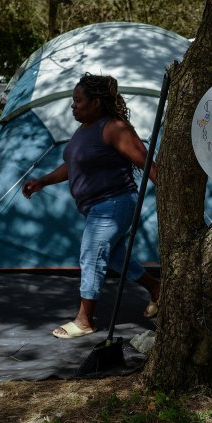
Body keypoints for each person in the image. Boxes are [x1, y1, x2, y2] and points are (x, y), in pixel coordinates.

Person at [22, 73, 160, 338]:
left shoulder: (114, 128)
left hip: (115, 203)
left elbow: (147, 163)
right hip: (96, 206)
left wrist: (169, 198)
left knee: (91, 254)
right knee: (116, 256)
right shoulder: (84, 129)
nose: (73, 105)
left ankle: (85, 320)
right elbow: (73, 165)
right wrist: (42, 181)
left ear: (95, 102)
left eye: (78, 100)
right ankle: (156, 288)